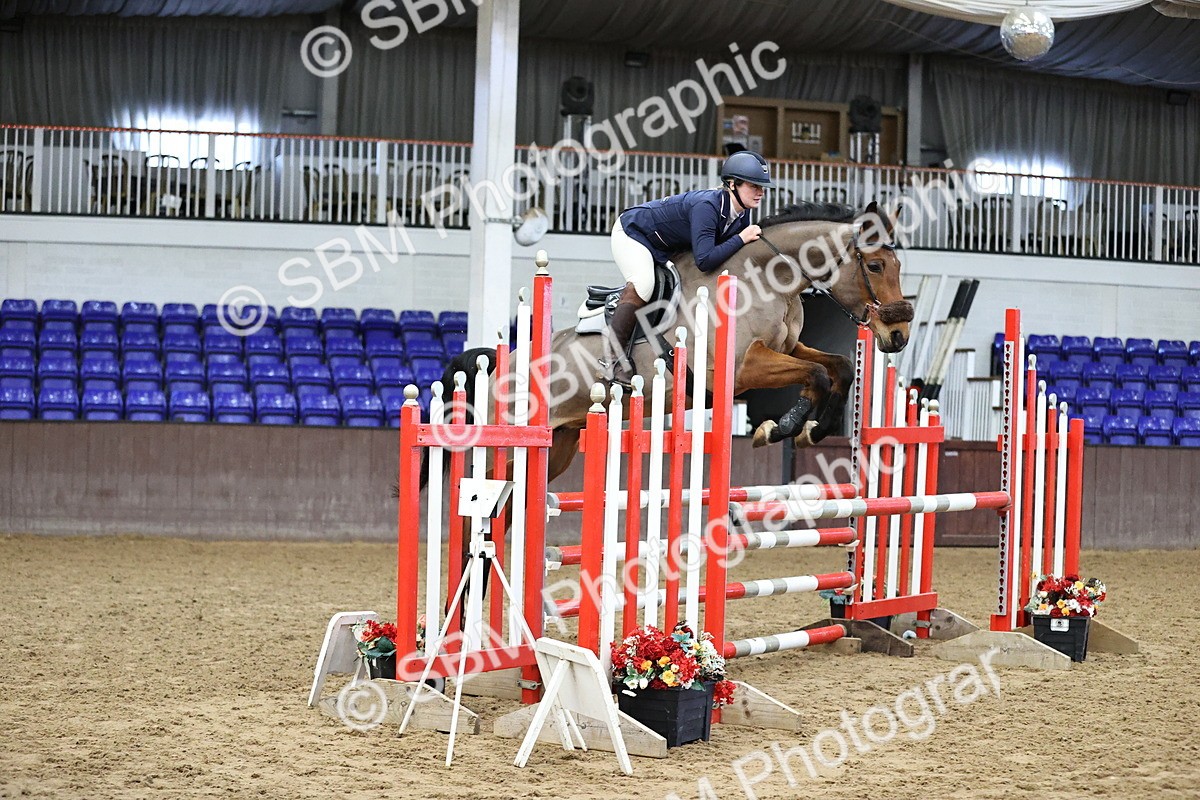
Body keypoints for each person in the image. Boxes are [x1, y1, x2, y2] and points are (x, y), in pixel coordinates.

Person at [605, 150, 772, 384]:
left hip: (667, 244)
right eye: (754, 186)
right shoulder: (707, 206)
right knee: (644, 283)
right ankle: (613, 358)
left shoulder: (742, 214)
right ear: (733, 184)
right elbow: (704, 260)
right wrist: (741, 239)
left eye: (762, 187)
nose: (761, 192)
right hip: (633, 234)